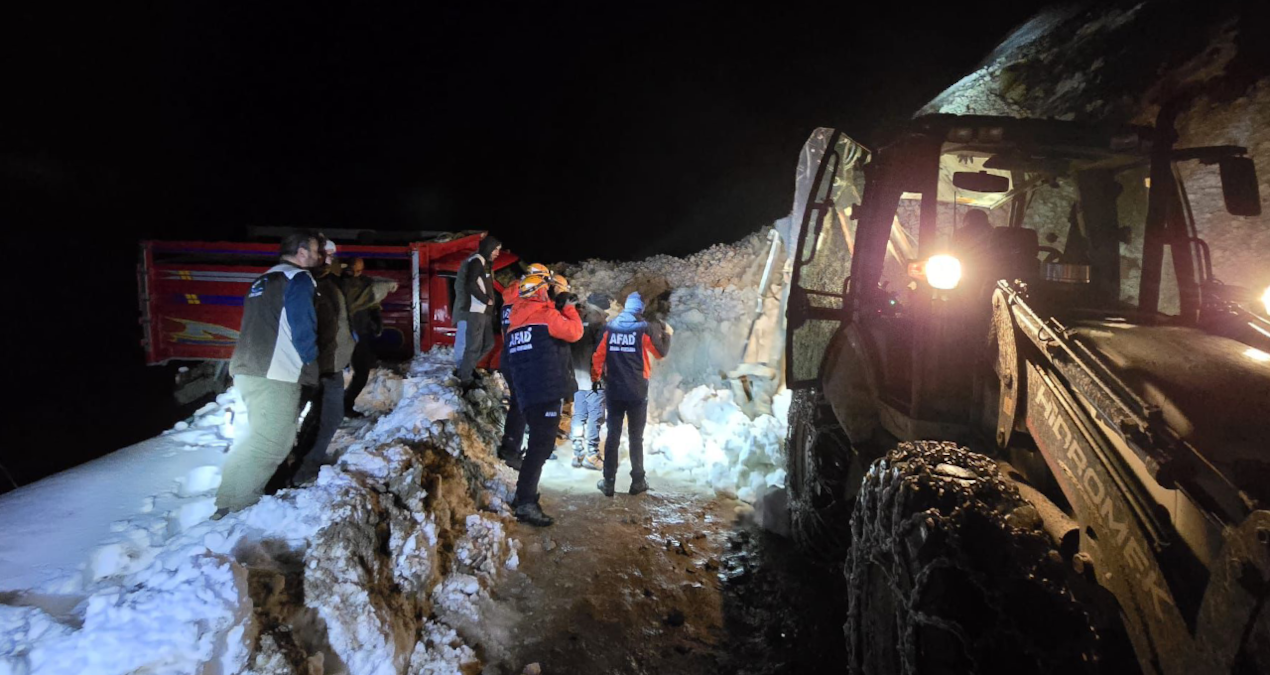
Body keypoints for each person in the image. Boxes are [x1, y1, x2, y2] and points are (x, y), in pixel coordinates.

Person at [213, 231, 322, 516]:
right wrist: (311, 361)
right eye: (314, 250)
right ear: (301, 253)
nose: (318, 256)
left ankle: (228, 500)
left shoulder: (262, 280)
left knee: (256, 437)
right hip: (276, 370)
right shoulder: (298, 278)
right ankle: (239, 509)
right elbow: (303, 326)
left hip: (248, 367)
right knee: (273, 443)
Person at [504, 273, 583, 526]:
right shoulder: (545, 316)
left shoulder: (516, 321)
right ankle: (525, 502)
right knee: (541, 447)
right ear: (540, 292)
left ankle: (523, 498)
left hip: (528, 391)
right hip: (545, 390)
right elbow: (574, 332)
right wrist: (569, 307)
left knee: (538, 444)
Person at [591, 292, 671, 497]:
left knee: (613, 436)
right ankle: (637, 481)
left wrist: (596, 377)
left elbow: (598, 355)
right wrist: (667, 335)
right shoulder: (643, 328)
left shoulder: (610, 327)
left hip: (614, 390)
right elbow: (660, 353)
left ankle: (608, 482)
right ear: (640, 309)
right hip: (637, 391)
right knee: (636, 438)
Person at [290, 237, 356, 483]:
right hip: (312, 367)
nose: (328, 260)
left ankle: (306, 462)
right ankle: (293, 469)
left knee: (328, 416)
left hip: (331, 364)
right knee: (297, 420)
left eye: (331, 256)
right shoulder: (304, 285)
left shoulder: (329, 282)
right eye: (324, 255)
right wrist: (311, 364)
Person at [341, 257, 398, 417]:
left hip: (361, 332)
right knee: (338, 375)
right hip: (346, 333)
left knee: (362, 372)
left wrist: (376, 318)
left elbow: (372, 301)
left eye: (360, 269)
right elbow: (363, 296)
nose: (358, 273)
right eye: (355, 270)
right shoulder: (343, 284)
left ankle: (345, 404)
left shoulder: (363, 282)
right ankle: (337, 406)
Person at [453, 235, 503, 389]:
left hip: (484, 313)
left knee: (489, 343)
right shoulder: (476, 261)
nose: (497, 253)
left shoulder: (484, 263)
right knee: (473, 346)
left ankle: (465, 369)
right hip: (476, 311)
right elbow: (470, 284)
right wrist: (485, 299)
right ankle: (465, 379)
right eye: (495, 250)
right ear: (488, 248)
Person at [569, 293, 610, 470]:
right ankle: (592, 455)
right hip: (594, 376)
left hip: (577, 375)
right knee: (595, 415)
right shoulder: (599, 324)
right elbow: (602, 352)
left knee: (579, 413)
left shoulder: (577, 319)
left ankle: (578, 452)